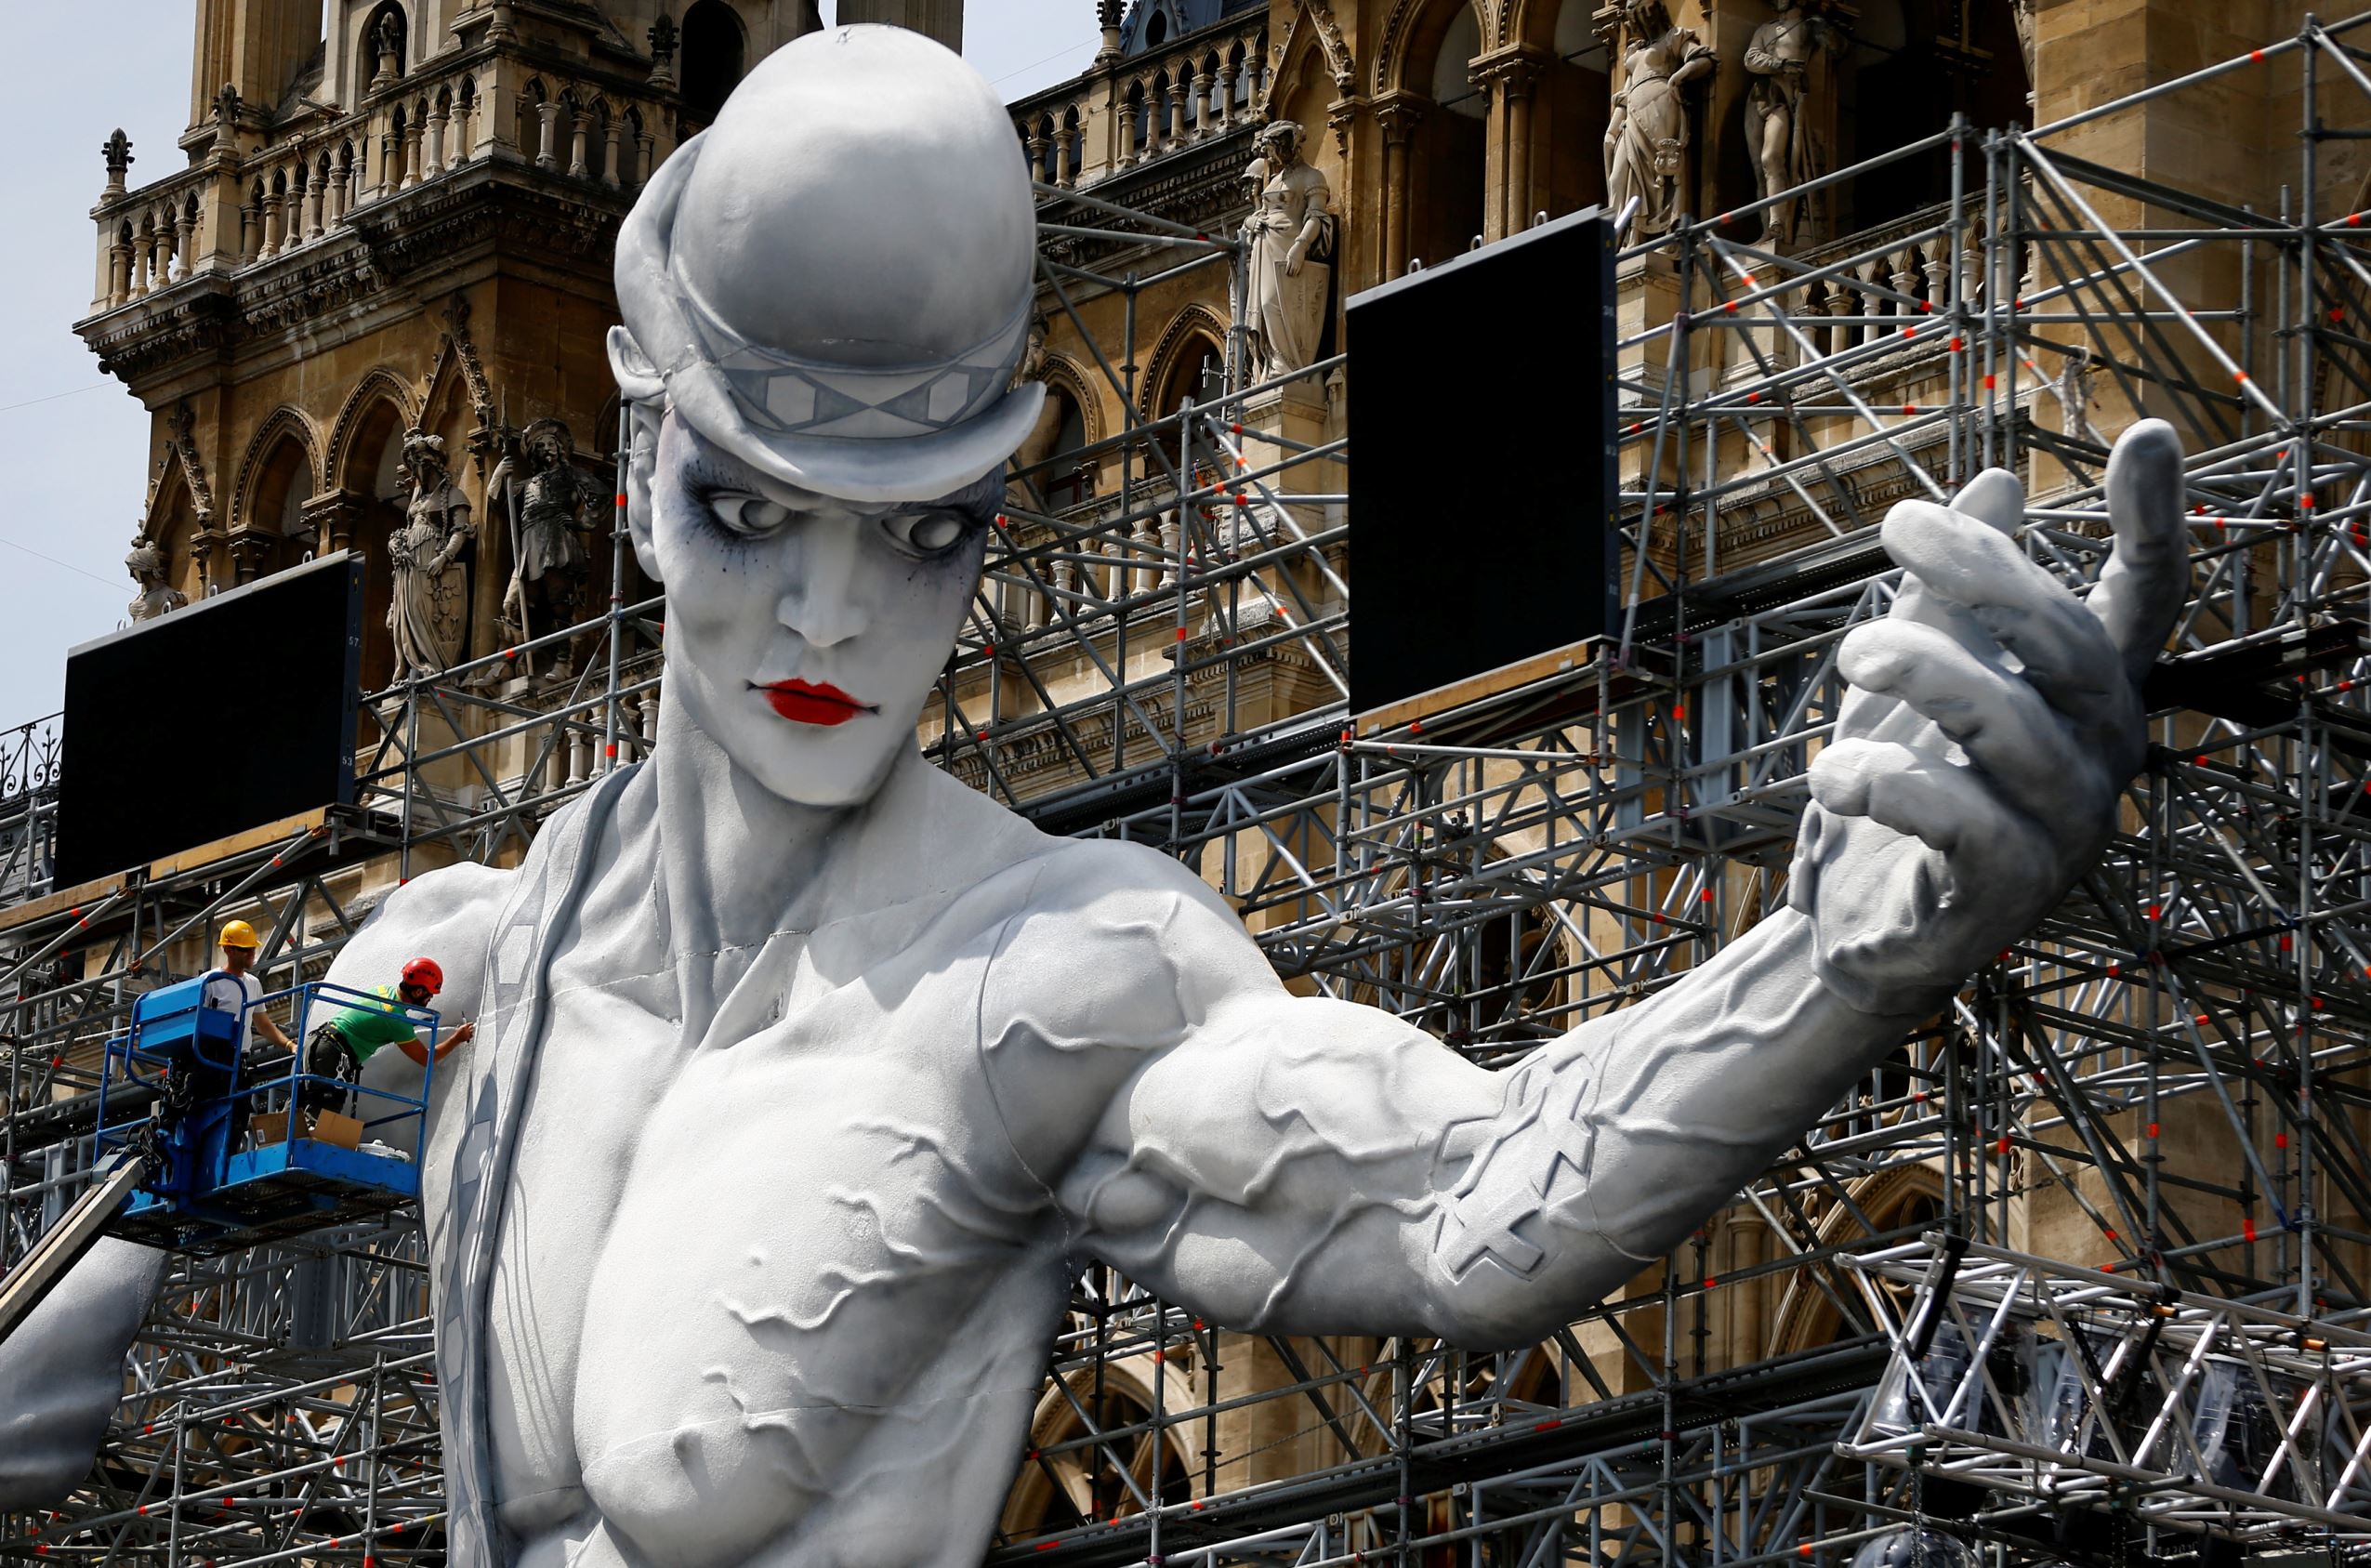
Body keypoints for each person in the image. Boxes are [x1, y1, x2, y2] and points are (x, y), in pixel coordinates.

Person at [0, 29, 2194, 1566]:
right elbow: (112, 1282)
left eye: (926, 525)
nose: (837, 610)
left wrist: (1839, 952)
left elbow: (1474, 1212)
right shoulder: (447, 965)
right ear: (635, 477)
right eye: (766, 501)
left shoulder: (1048, 988)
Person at [296, 955, 475, 1122]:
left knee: (296, 1108)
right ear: (419, 991)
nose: (430, 1000)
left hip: (317, 1044)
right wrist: (457, 1038)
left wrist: (408, 1026)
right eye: (430, 995)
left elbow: (375, 1022)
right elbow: (426, 1059)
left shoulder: (382, 991)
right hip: (333, 1055)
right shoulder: (396, 1019)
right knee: (323, 1113)